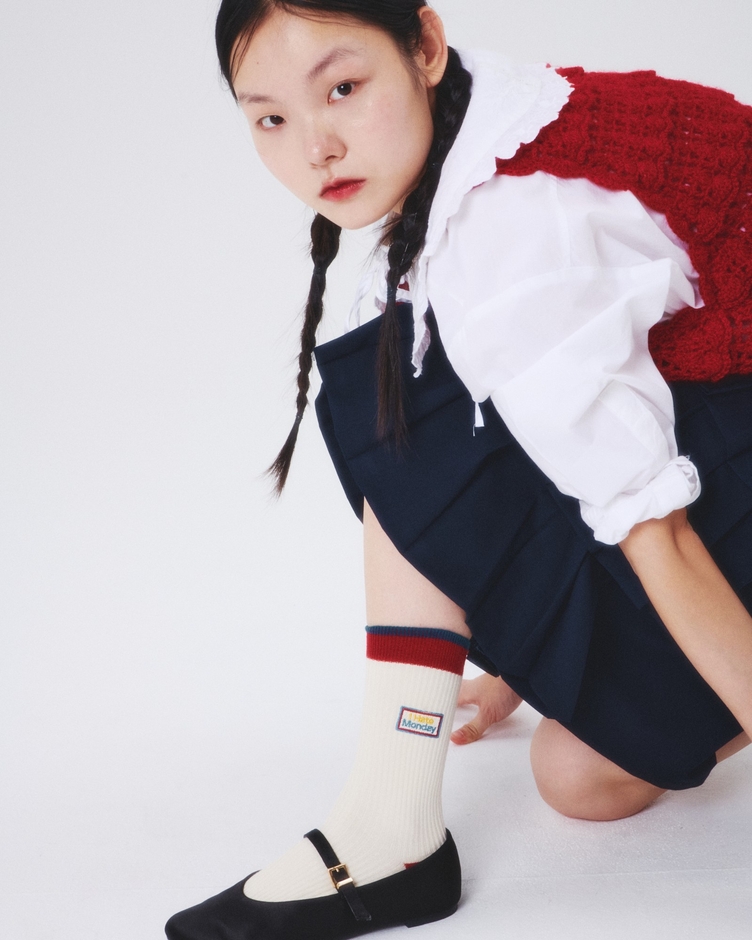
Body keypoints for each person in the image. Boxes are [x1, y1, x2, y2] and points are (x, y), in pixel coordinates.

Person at [165, 1, 752, 937]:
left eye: (343, 88)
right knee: (576, 778)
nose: (315, 148)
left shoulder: (509, 225)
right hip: (727, 407)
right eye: (270, 117)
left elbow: (657, 530)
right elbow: (554, 424)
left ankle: (387, 833)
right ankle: (394, 816)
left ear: (426, 47)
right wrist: (518, 670)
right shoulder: (474, 134)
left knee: (407, 414)